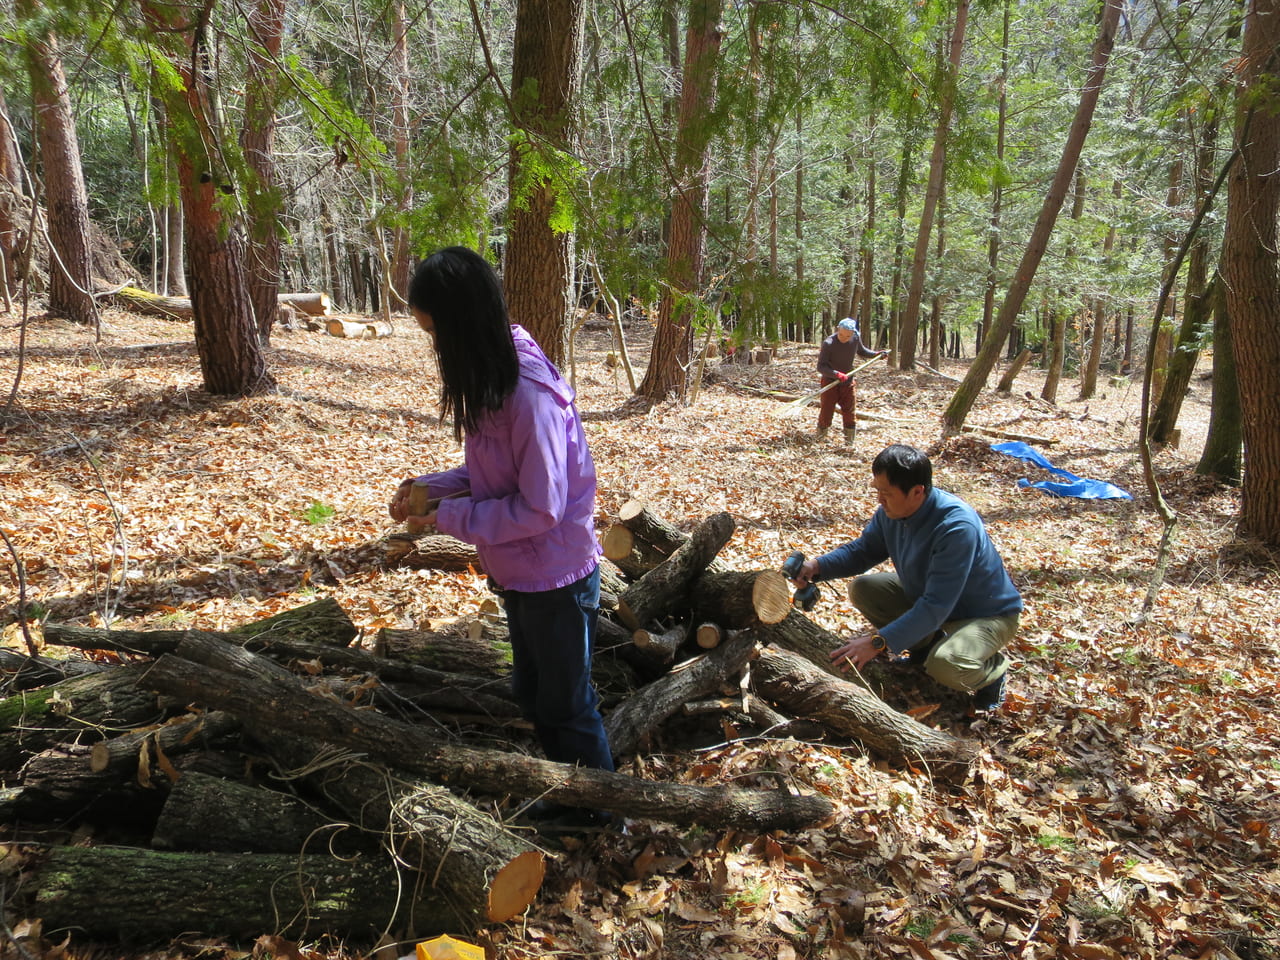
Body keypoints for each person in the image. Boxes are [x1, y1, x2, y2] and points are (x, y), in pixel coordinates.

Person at [388, 246, 615, 796]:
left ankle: (604, 811)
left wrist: (447, 517)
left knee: (567, 705)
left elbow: (540, 508)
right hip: (520, 570)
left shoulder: (527, 395)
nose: (436, 346)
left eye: (435, 331)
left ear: (463, 324)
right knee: (533, 693)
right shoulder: (493, 375)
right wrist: (428, 489)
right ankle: (567, 795)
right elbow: (491, 470)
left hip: (556, 576)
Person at [789, 444, 1022, 712]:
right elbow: (863, 551)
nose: (879, 500)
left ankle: (992, 673)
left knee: (947, 665)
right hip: (935, 601)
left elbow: (936, 605)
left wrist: (878, 642)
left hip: (987, 614)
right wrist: (816, 566)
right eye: (877, 491)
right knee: (865, 588)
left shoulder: (956, 527)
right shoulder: (892, 513)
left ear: (917, 492)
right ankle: (923, 648)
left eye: (886, 493)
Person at [816, 317, 884, 445]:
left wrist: (876, 354)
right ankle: (820, 439)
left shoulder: (855, 338)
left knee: (849, 412)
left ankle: (849, 442)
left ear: (853, 334)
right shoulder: (829, 343)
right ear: (838, 330)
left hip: (848, 382)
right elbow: (821, 367)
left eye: (847, 336)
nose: (844, 338)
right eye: (841, 334)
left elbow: (862, 351)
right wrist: (836, 374)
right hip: (830, 382)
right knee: (826, 411)